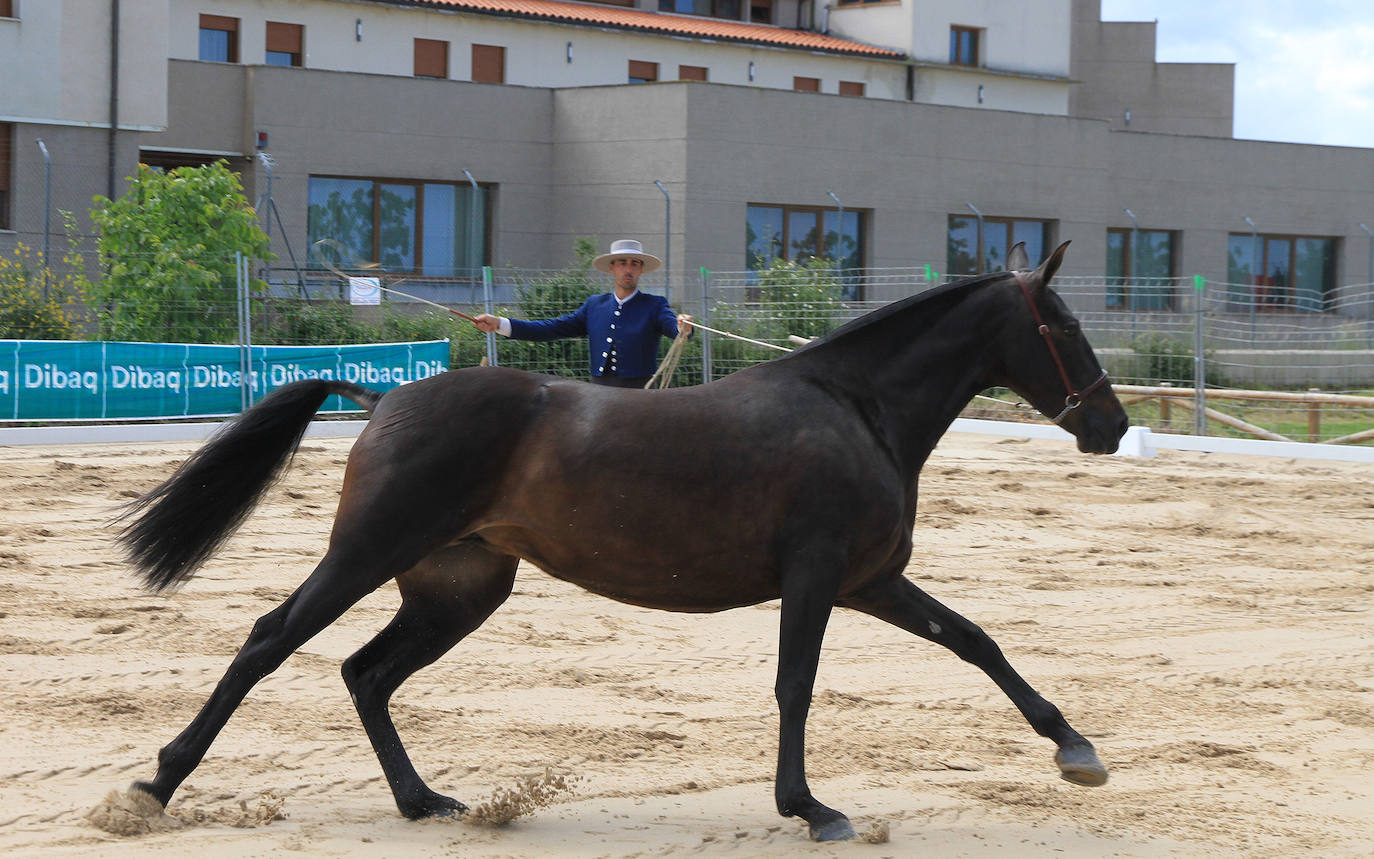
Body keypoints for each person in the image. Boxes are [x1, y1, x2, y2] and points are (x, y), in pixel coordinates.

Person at [474, 239, 693, 388]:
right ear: (612, 268)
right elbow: (552, 328)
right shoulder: (594, 305)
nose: (629, 269)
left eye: (634, 264)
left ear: (641, 269)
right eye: (623, 263)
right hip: (599, 391)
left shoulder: (654, 305)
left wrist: (682, 327)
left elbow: (674, 328)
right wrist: (500, 323)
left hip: (640, 392)